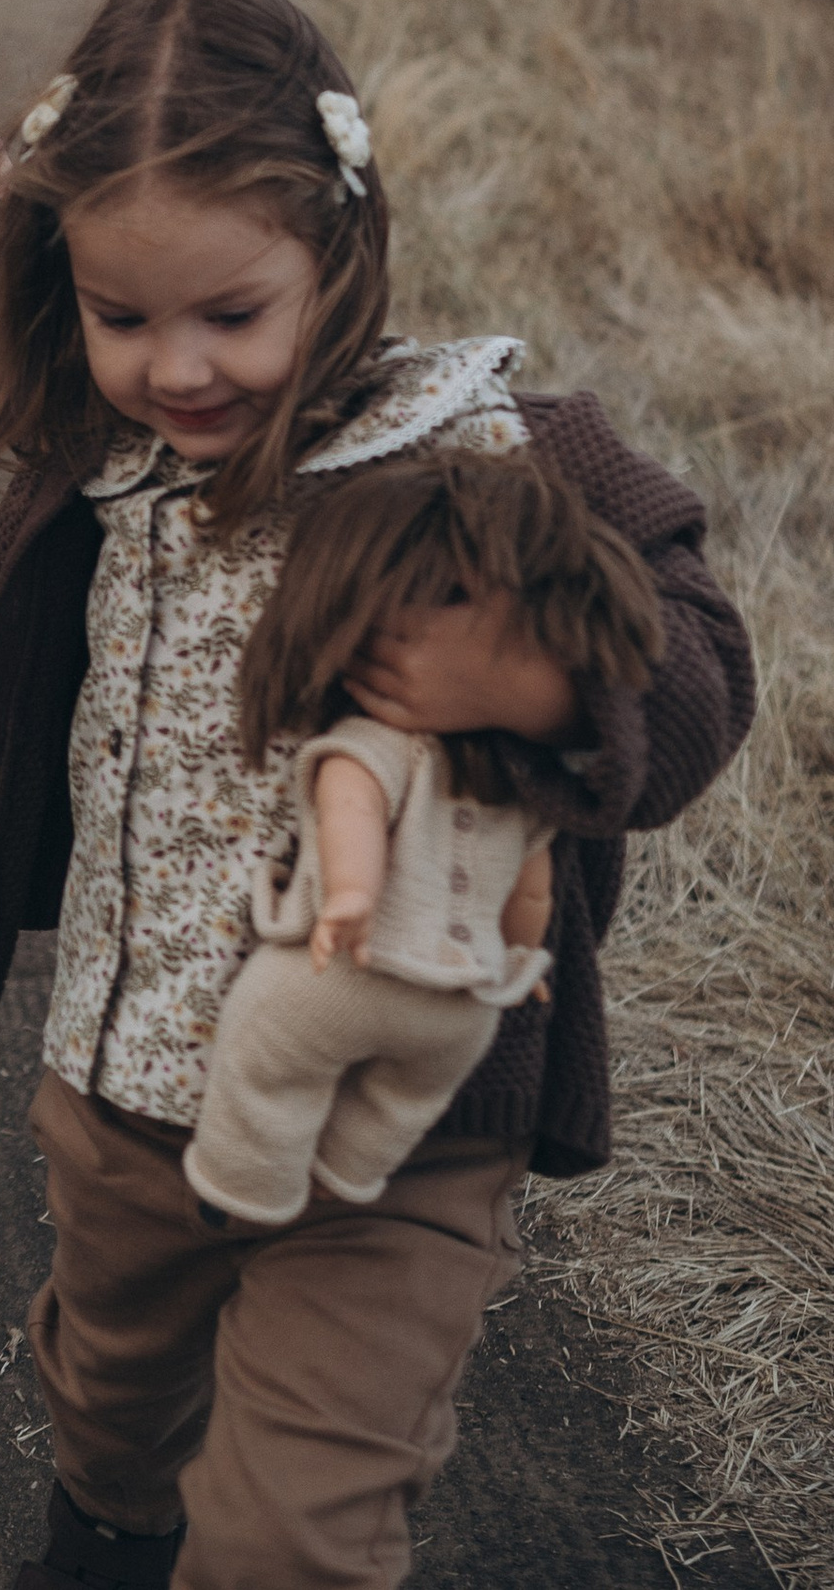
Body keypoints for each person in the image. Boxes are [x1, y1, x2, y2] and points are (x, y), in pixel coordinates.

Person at [0, 0, 753, 1590]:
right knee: (112, 1396)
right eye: (125, 316)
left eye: (233, 314)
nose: (179, 368)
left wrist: (540, 680)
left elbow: (707, 655)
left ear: (340, 257)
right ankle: (102, 1536)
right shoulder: (108, 425)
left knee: (296, 1529)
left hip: (405, 1118)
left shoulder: (479, 449)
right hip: (130, 1086)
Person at [182, 448, 663, 1233]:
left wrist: (350, 897)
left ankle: (247, 1184)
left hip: (358, 969)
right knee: (407, 1094)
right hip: (466, 1005)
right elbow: (530, 891)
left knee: (264, 1052)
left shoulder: (379, 746)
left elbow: (352, 816)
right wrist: (521, 962)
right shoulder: (517, 788)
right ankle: (353, 1169)